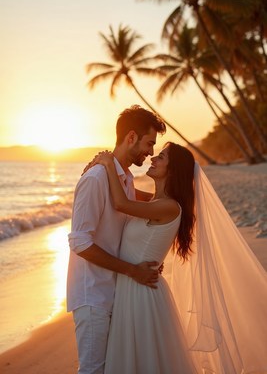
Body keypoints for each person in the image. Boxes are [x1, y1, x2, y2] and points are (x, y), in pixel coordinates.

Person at [94, 143, 267, 374]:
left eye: (161, 157)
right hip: (134, 287)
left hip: (141, 293)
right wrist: (104, 173)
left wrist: (107, 163)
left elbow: (121, 203)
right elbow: (124, 193)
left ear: (173, 170)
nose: (153, 158)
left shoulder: (169, 207)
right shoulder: (154, 203)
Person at [66, 105, 166, 374]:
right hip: (93, 294)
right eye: (149, 143)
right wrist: (133, 270)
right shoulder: (96, 178)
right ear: (131, 137)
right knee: (93, 370)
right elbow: (80, 243)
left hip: (115, 291)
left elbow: (152, 206)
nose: (151, 152)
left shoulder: (124, 179)